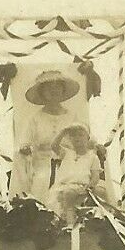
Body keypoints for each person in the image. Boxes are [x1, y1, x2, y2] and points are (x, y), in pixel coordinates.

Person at [19, 70, 83, 200]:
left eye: (58, 87)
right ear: (42, 92)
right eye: (49, 88)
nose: (54, 91)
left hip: (68, 165)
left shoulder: (72, 116)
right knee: (43, 181)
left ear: (63, 90)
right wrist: (26, 148)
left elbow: (84, 136)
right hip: (42, 166)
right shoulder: (35, 119)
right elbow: (25, 142)